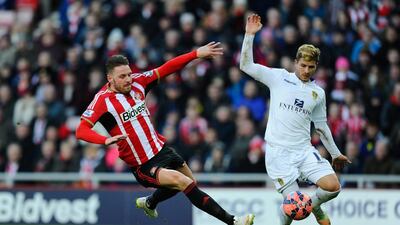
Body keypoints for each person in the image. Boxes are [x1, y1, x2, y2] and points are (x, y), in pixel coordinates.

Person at [75, 42, 255, 225]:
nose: (129, 79)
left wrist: (196, 54)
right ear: (110, 78)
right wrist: (105, 140)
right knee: (182, 181)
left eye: (129, 74)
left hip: (161, 149)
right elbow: (81, 130)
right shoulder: (102, 101)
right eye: (122, 76)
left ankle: (150, 202)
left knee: (190, 182)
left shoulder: (138, 82)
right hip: (142, 163)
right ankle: (233, 221)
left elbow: (167, 68)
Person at [239, 14, 351, 225]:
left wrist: (335, 153)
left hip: (304, 150)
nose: (306, 71)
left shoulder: (317, 93)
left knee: (333, 187)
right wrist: (249, 35)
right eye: (303, 66)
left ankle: (314, 206)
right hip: (278, 153)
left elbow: (321, 127)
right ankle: (308, 209)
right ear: (295, 63)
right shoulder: (279, 77)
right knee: (293, 209)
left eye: (311, 67)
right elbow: (245, 65)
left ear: (316, 66)